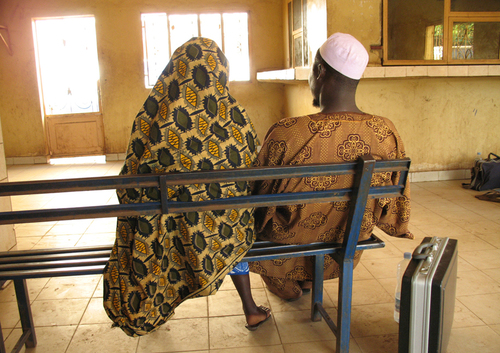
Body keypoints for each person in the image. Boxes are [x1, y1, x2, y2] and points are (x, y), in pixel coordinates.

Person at [103, 37, 270, 336]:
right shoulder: (236, 118)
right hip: (223, 232)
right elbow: (252, 173)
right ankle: (250, 309)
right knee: (235, 218)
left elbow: (128, 180)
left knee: (153, 220)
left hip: (167, 237)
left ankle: (154, 306)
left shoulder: (152, 118)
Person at [249, 33, 414, 301]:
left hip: (283, 250)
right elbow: (396, 210)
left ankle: (293, 285)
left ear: (319, 70)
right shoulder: (385, 131)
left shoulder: (288, 132)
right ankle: (307, 281)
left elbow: (256, 203)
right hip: (345, 247)